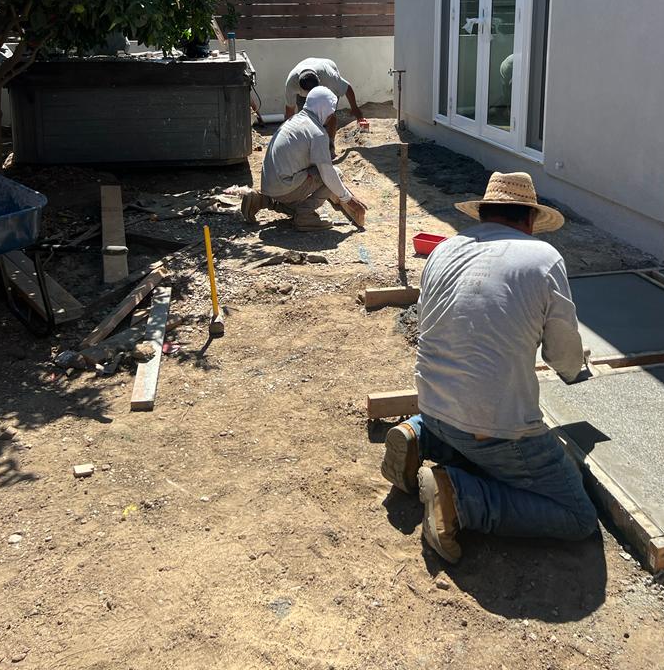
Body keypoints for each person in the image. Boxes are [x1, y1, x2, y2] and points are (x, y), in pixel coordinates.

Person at [380, 171, 597, 563]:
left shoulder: (445, 249)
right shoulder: (543, 259)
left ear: (482, 214)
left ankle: (418, 436)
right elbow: (563, 358)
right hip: (493, 431)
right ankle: (460, 500)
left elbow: (435, 324)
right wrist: (576, 369)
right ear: (530, 219)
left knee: (465, 432)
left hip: (432, 406)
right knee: (577, 515)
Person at [242, 86, 367, 232]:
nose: (331, 115)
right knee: (335, 173)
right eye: (331, 110)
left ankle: (262, 200)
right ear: (324, 108)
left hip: (269, 185)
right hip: (284, 188)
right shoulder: (317, 133)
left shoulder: (295, 120)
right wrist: (349, 200)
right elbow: (327, 173)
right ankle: (305, 216)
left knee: (297, 203)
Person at [284, 58, 364, 156]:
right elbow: (290, 112)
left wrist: (355, 108)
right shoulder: (291, 83)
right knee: (305, 119)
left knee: (329, 115)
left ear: (319, 81)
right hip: (305, 83)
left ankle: (330, 145)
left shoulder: (329, 78)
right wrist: (287, 136)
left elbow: (347, 88)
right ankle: (309, 146)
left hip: (326, 79)